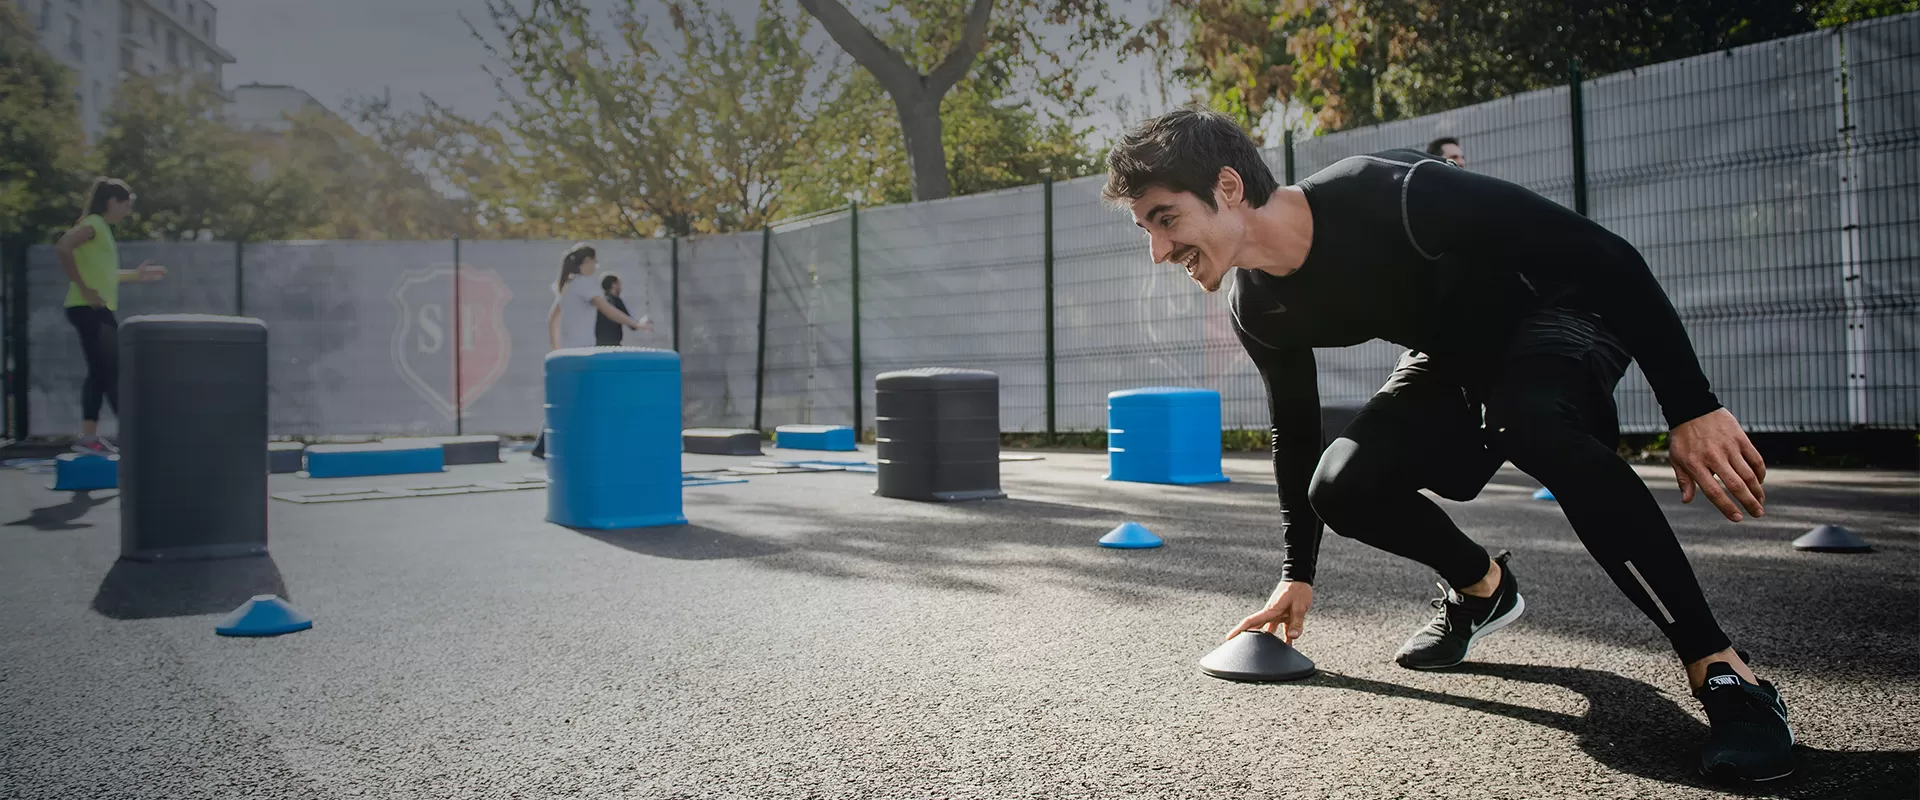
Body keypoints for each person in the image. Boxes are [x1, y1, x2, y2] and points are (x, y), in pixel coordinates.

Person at [1103, 109, 1792, 782]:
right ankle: (1483, 590)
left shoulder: (1398, 194)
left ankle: (1724, 670)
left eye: (1165, 220)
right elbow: (1298, 432)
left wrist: (1692, 406)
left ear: (1227, 188)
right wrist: (1297, 571)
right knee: (1339, 484)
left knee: (1534, 421)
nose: (1159, 251)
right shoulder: (1258, 306)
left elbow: (1607, 257)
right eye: (1145, 232)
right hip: (1456, 354)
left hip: (1562, 312)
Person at [51, 178, 165, 455]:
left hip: (93, 309)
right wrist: (85, 289)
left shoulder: (101, 229)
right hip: (88, 309)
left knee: (103, 370)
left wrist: (135, 276)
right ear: (112, 201)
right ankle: (123, 434)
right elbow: (63, 247)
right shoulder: (93, 224)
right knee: (112, 370)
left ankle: (91, 437)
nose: (128, 211)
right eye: (126, 205)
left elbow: (103, 274)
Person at [530, 244, 649, 459]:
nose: (596, 266)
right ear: (586, 262)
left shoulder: (567, 285)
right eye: (594, 262)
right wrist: (636, 324)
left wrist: (557, 348)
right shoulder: (585, 284)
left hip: (569, 352)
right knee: (592, 397)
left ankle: (543, 445)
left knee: (567, 399)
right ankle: (550, 445)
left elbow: (552, 319)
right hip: (584, 353)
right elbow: (607, 309)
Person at [595, 274, 632, 347]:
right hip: (613, 345)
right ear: (614, 285)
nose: (621, 287)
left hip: (599, 345)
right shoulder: (617, 301)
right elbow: (630, 322)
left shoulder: (599, 301)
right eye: (619, 284)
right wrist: (640, 324)